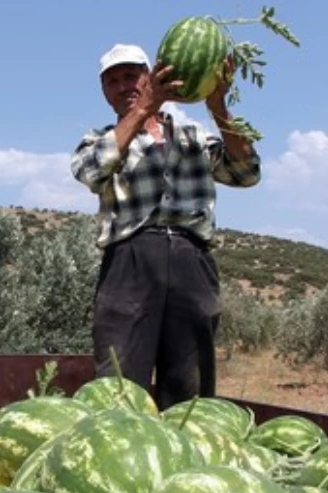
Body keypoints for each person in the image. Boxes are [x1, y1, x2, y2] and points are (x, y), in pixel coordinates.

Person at [71, 43, 262, 410]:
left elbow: (246, 172)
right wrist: (145, 107)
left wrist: (217, 105)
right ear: (104, 93)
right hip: (130, 261)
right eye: (112, 81)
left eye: (131, 76)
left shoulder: (195, 134)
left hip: (192, 260)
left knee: (189, 384)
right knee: (119, 383)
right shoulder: (98, 140)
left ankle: (186, 455)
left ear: (150, 76)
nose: (123, 85)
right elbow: (91, 170)